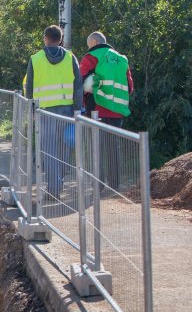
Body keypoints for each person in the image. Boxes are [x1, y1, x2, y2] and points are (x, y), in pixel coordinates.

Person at [23, 25, 83, 198]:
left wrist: (32, 109)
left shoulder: (36, 59)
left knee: (49, 150)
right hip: (67, 110)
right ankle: (59, 180)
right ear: (61, 39)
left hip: (44, 111)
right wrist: (77, 109)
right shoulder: (71, 57)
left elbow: (30, 87)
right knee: (64, 148)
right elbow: (78, 85)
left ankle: (54, 188)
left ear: (45, 38)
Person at [80, 31, 134, 191]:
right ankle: (115, 184)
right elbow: (130, 87)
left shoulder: (91, 57)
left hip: (96, 108)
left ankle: (98, 183)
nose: (89, 48)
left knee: (96, 146)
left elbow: (80, 81)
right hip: (118, 110)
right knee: (113, 146)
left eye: (89, 45)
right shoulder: (122, 59)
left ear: (95, 42)